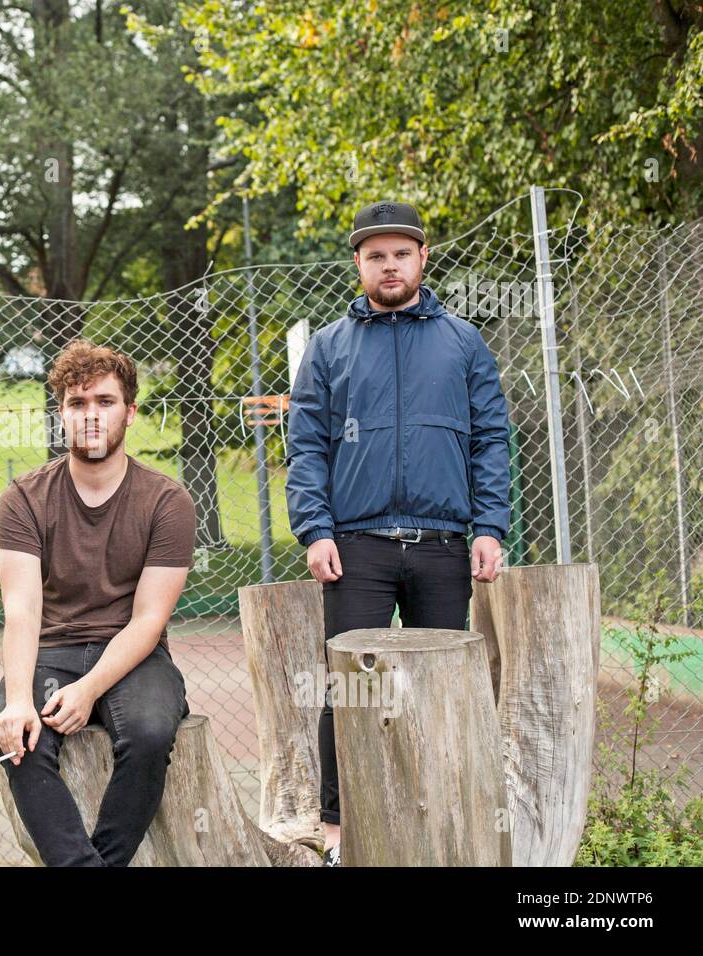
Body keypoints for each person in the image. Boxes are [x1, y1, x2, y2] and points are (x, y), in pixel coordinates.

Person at [285, 200, 511, 866]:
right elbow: (306, 446)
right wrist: (315, 530)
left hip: (443, 544)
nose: (389, 266)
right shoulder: (328, 348)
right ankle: (336, 831)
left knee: (443, 689)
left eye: (401, 253)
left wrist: (489, 526)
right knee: (348, 691)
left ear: (422, 257)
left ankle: (441, 822)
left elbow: (492, 439)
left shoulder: (464, 342)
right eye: (375, 255)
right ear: (358, 263)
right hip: (356, 546)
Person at [0, 338, 197, 867]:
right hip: (51, 649)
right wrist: (18, 699)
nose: (91, 416)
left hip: (132, 653)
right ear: (60, 413)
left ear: (129, 412)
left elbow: (149, 619)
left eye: (104, 402)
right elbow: (22, 610)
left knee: (151, 733)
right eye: (77, 404)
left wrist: (88, 689)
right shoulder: (23, 499)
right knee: (23, 741)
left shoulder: (167, 501)